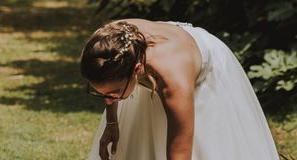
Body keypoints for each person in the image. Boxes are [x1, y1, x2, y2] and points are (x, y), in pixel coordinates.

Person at [81, 18, 280, 160]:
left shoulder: (173, 80)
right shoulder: (109, 46)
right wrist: (112, 122)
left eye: (114, 94)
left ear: (136, 70)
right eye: (100, 93)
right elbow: (109, 84)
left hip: (203, 68)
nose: (108, 100)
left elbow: (179, 153)